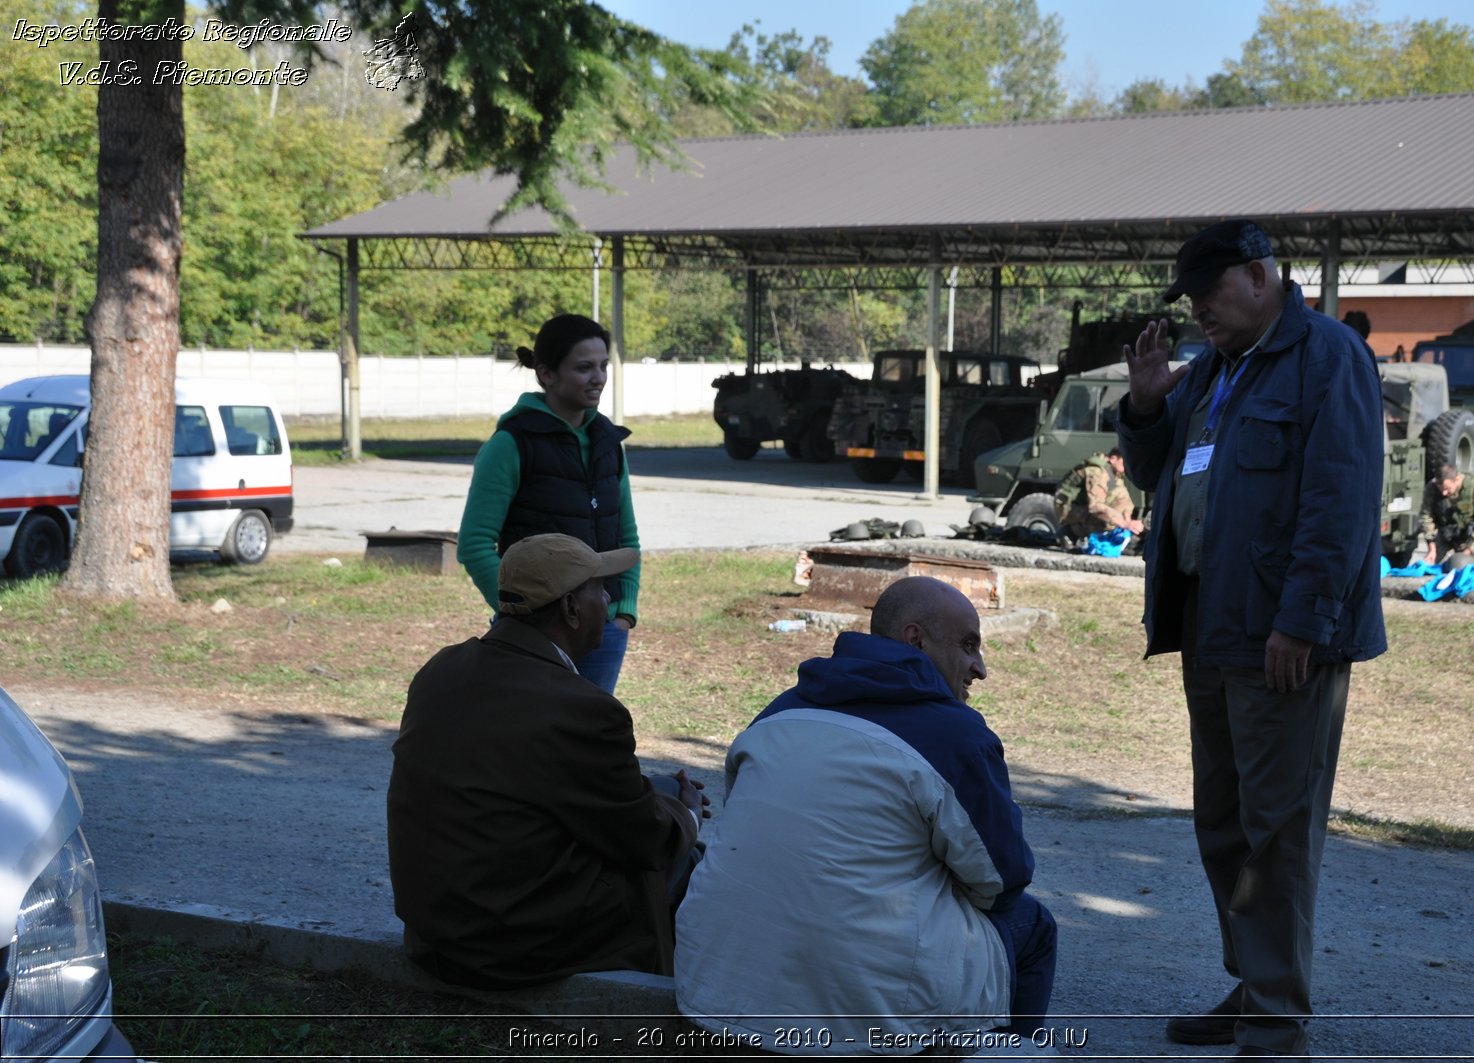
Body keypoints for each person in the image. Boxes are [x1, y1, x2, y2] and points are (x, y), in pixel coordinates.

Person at [1116, 220, 1387, 1058]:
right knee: (1225, 824)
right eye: (1191, 300)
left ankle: (1275, 1022)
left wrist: (1302, 620)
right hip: (1212, 624)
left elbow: (1341, 503)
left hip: (1285, 638)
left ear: (1262, 276)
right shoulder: (1213, 373)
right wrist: (1149, 405)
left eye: (1209, 294)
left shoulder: (1328, 358)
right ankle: (1252, 982)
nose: (1198, 312)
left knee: (1276, 831)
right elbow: (1159, 474)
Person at [674, 576, 1057, 1055]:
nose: (979, 668)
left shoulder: (777, 713)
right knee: (1032, 925)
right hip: (860, 1014)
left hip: (714, 988)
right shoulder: (955, 736)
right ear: (916, 639)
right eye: (968, 645)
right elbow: (1001, 883)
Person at [387, 533, 707, 988]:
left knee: (663, 795)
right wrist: (688, 814)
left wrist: (664, 795)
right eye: (599, 587)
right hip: (505, 946)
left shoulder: (443, 667)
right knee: (684, 859)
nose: (611, 598)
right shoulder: (581, 709)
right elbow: (645, 842)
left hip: (433, 931)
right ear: (571, 609)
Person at [457, 313, 640, 694]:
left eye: (603, 365)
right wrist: (522, 616)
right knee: (530, 741)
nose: (599, 377)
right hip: (535, 635)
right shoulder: (510, 444)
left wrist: (623, 612)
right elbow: (474, 545)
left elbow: (627, 536)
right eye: (584, 367)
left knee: (587, 743)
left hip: (602, 630)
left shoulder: (609, 443)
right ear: (546, 374)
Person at [1053, 447, 1144, 542]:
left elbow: (1124, 498)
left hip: (1083, 504)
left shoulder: (1113, 473)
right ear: (1113, 459)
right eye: (1124, 461)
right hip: (1067, 508)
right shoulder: (1097, 472)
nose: (1127, 465)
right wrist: (1123, 524)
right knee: (1106, 520)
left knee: (1118, 500)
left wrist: (1128, 522)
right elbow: (1095, 506)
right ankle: (1070, 532)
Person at [1420, 463, 1474, 568]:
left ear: (1457, 479)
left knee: (1472, 568)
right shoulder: (1432, 488)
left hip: (1473, 537)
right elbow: (1426, 517)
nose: (1444, 493)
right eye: (1441, 490)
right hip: (1447, 535)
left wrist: (1467, 551)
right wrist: (1432, 547)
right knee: (1430, 566)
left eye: (1448, 489)